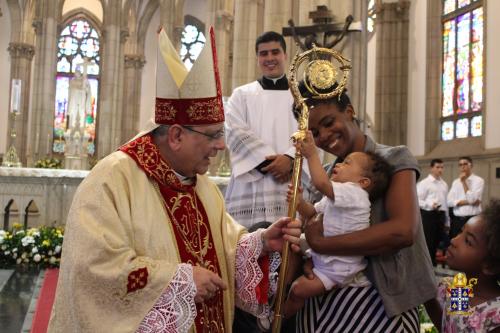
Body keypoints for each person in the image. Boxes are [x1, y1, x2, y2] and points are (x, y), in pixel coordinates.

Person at [48, 27, 301, 333]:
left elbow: (223, 248)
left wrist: (259, 243)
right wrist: (177, 281)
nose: (222, 146)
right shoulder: (112, 179)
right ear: (177, 135)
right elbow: (91, 269)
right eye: (213, 135)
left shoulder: (202, 186)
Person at [290, 79, 436, 332]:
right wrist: (310, 256)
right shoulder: (325, 174)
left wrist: (321, 244)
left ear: (349, 112)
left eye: (328, 123)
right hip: (325, 301)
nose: (323, 136)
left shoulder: (393, 159)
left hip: (380, 303)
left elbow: (402, 231)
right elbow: (314, 222)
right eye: (314, 133)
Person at [282, 132, 393, 319]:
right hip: (324, 255)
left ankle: (279, 319)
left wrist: (311, 155)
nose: (339, 164)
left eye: (347, 162)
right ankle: (278, 293)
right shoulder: (336, 196)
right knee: (288, 242)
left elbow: (320, 183)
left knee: (298, 290)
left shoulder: (356, 194)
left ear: (363, 182)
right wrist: (299, 202)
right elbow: (312, 213)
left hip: (336, 269)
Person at [224, 31, 297, 229]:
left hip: (290, 181)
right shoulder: (242, 95)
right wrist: (272, 164)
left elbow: (311, 134)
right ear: (257, 58)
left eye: (275, 52)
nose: (270, 58)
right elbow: (234, 131)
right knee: (247, 245)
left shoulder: (301, 95)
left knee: (288, 248)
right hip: (251, 183)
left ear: (285, 55)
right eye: (263, 54)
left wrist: (290, 160)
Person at [425, 199, 500, 332]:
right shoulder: (462, 290)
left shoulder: (494, 318)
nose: (454, 240)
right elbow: (451, 326)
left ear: (490, 266)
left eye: (468, 241)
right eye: (461, 232)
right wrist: (427, 299)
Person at [417, 158, 449, 266]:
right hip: (429, 215)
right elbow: (417, 200)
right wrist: (430, 204)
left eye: (442, 167)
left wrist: (447, 221)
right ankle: (427, 265)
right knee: (428, 242)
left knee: (437, 242)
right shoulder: (424, 183)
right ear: (431, 168)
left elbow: (445, 203)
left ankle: (433, 265)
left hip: (441, 215)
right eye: (437, 167)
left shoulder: (444, 184)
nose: (440, 169)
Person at [447, 156, 484, 240]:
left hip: (472, 219)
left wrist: (464, 182)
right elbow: (448, 202)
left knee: (470, 245)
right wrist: (467, 202)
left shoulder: (478, 180)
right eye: (460, 165)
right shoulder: (456, 182)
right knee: (455, 244)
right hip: (457, 220)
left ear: (471, 165)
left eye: (465, 164)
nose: (462, 167)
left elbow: (472, 199)